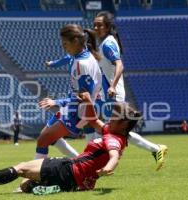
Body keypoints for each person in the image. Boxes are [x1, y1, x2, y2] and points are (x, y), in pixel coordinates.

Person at [44, 11, 168, 171]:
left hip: (112, 95)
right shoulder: (100, 44)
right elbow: (71, 57)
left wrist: (112, 85)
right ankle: (84, 162)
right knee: (92, 124)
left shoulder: (108, 44)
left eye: (100, 25)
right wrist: (53, 63)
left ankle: (155, 149)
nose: (96, 27)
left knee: (110, 131)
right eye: (95, 24)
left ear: (108, 26)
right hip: (101, 95)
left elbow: (120, 65)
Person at [0, 92, 141, 195]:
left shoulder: (115, 139)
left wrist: (108, 167)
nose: (110, 119)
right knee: (26, 185)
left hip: (69, 170)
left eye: (114, 117)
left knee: (21, 168)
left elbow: (114, 155)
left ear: (123, 124)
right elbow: (93, 121)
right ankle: (53, 187)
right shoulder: (112, 131)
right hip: (73, 173)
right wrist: (89, 102)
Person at [34, 24, 102, 160]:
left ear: (76, 41)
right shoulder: (82, 54)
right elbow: (66, 58)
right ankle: (81, 162)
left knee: (43, 140)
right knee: (46, 137)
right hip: (71, 107)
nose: (63, 47)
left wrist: (56, 102)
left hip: (76, 112)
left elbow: (84, 98)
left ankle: (36, 178)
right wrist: (52, 64)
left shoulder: (82, 65)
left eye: (65, 44)